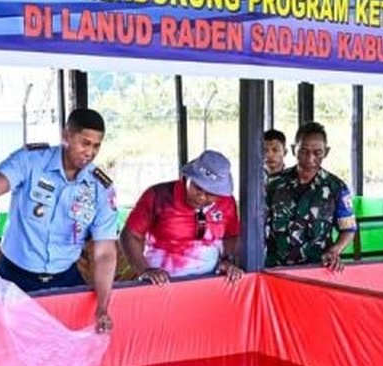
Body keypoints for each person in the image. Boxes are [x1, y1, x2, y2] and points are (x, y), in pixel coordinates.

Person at [0, 108, 118, 333]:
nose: (90, 152)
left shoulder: (101, 187)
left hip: (65, 278)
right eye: (84, 143)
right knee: (6, 346)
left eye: (96, 146)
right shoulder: (31, 161)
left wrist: (103, 306)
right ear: (66, 135)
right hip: (15, 277)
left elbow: (105, 252)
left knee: (65, 347)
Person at [121, 149, 244, 285]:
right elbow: (130, 235)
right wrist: (145, 270)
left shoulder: (227, 202)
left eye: (210, 193)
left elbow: (231, 236)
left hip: (210, 282)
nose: (202, 196)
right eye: (197, 187)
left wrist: (227, 260)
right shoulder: (157, 196)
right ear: (187, 178)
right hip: (161, 284)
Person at [265, 122, 357, 270]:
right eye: (304, 151)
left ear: (326, 152)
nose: (310, 158)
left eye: (317, 152)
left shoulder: (337, 188)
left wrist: (334, 251)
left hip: (317, 270)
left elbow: (348, 229)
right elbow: (257, 225)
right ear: (295, 150)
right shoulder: (273, 184)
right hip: (277, 270)